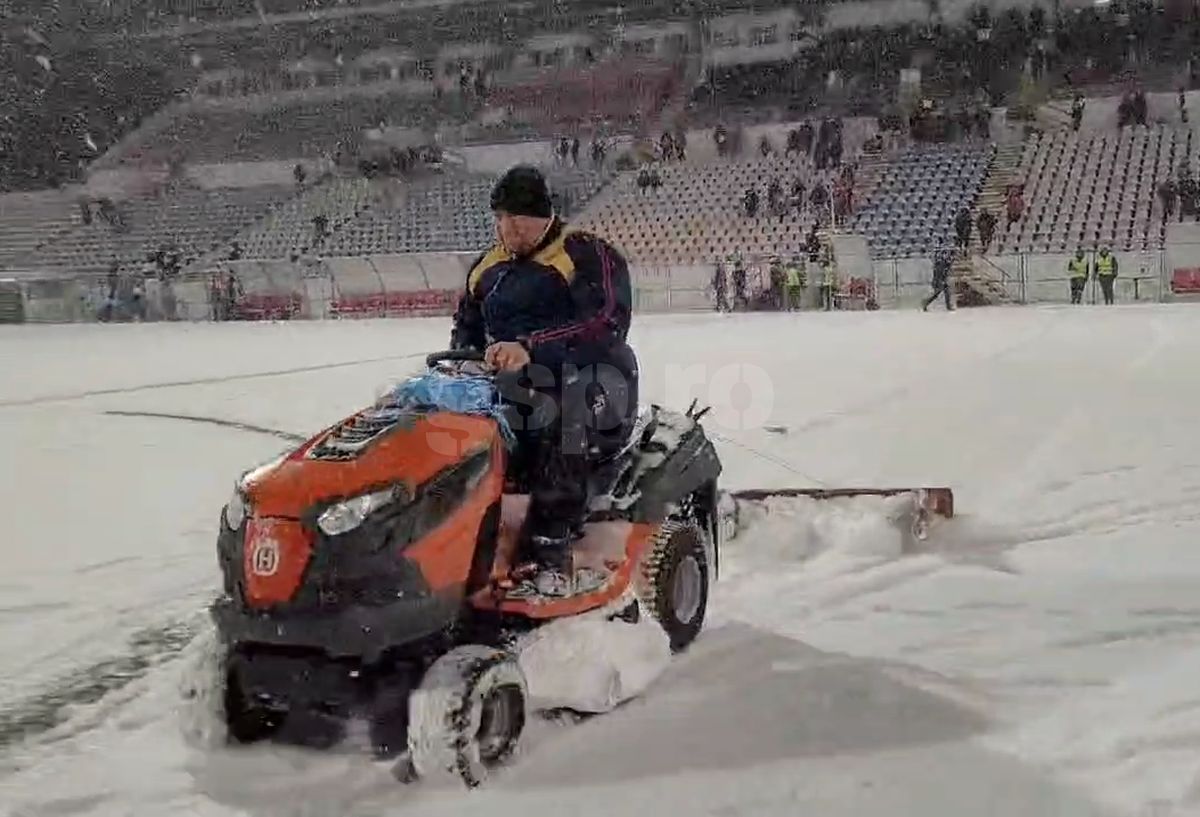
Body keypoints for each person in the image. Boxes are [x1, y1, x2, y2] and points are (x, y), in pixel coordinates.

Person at [450, 165, 638, 597]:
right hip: (515, 381)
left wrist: (532, 347)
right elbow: (467, 326)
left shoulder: (585, 253)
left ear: (544, 215)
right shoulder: (487, 265)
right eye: (500, 218)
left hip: (596, 379)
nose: (507, 228)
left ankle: (547, 548)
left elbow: (606, 322)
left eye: (518, 218)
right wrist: (467, 359)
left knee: (561, 419)